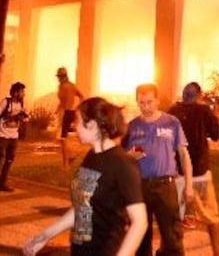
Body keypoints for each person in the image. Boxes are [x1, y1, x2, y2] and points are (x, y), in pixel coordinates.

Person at [22, 97, 147, 255]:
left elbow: (140, 222)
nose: (74, 125)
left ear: (92, 125)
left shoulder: (122, 164)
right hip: (80, 250)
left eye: (77, 120)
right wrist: (45, 236)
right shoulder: (91, 157)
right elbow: (82, 207)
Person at [123, 83, 193, 256]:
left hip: (165, 186)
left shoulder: (171, 122)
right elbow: (121, 160)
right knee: (140, 238)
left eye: (149, 102)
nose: (146, 107)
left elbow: (184, 155)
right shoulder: (132, 126)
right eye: (141, 103)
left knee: (172, 238)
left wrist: (189, 186)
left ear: (158, 101)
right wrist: (130, 156)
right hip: (139, 188)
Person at [168, 82, 219, 255]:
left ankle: (176, 251)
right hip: (200, 173)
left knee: (175, 219)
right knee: (212, 218)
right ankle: (217, 253)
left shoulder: (173, 111)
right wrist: (217, 116)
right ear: (199, 95)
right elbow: (215, 135)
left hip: (179, 174)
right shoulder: (204, 110)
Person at [0, 81, 27, 193]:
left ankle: (2, 184)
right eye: (22, 91)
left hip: (14, 137)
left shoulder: (21, 104)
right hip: (3, 136)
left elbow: (22, 120)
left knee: (9, 160)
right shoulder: (5, 102)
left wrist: (22, 117)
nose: (24, 94)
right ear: (16, 93)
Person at [55, 67, 83, 167]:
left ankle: (66, 163)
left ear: (62, 77)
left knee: (63, 138)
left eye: (59, 76)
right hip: (71, 112)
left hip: (66, 113)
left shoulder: (63, 87)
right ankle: (70, 157)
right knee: (64, 138)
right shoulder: (72, 86)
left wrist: (63, 108)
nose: (58, 79)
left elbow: (64, 101)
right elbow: (81, 96)